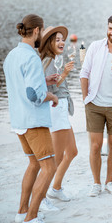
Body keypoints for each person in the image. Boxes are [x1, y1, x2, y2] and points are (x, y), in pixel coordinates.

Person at [4, 14, 58, 223]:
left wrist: (43, 80)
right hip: (34, 121)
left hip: (19, 121)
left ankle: (21, 213)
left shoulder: (12, 55)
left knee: (34, 165)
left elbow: (22, 83)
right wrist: (51, 95)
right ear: (36, 31)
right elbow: (34, 95)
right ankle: (31, 217)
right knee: (49, 167)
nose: (42, 35)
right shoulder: (32, 57)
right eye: (42, 31)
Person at [80, 13, 112, 197]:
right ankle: (96, 183)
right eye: (110, 28)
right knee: (95, 147)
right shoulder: (95, 46)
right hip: (94, 104)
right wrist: (86, 97)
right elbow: (84, 73)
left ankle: (109, 182)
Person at [38, 26, 78, 205]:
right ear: (49, 43)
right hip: (56, 108)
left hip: (61, 109)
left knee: (72, 151)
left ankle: (56, 188)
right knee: (57, 157)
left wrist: (64, 73)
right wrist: (65, 73)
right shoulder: (48, 61)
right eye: (57, 40)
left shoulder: (56, 59)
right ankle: (42, 196)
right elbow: (50, 88)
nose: (62, 42)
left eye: (63, 39)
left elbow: (56, 84)